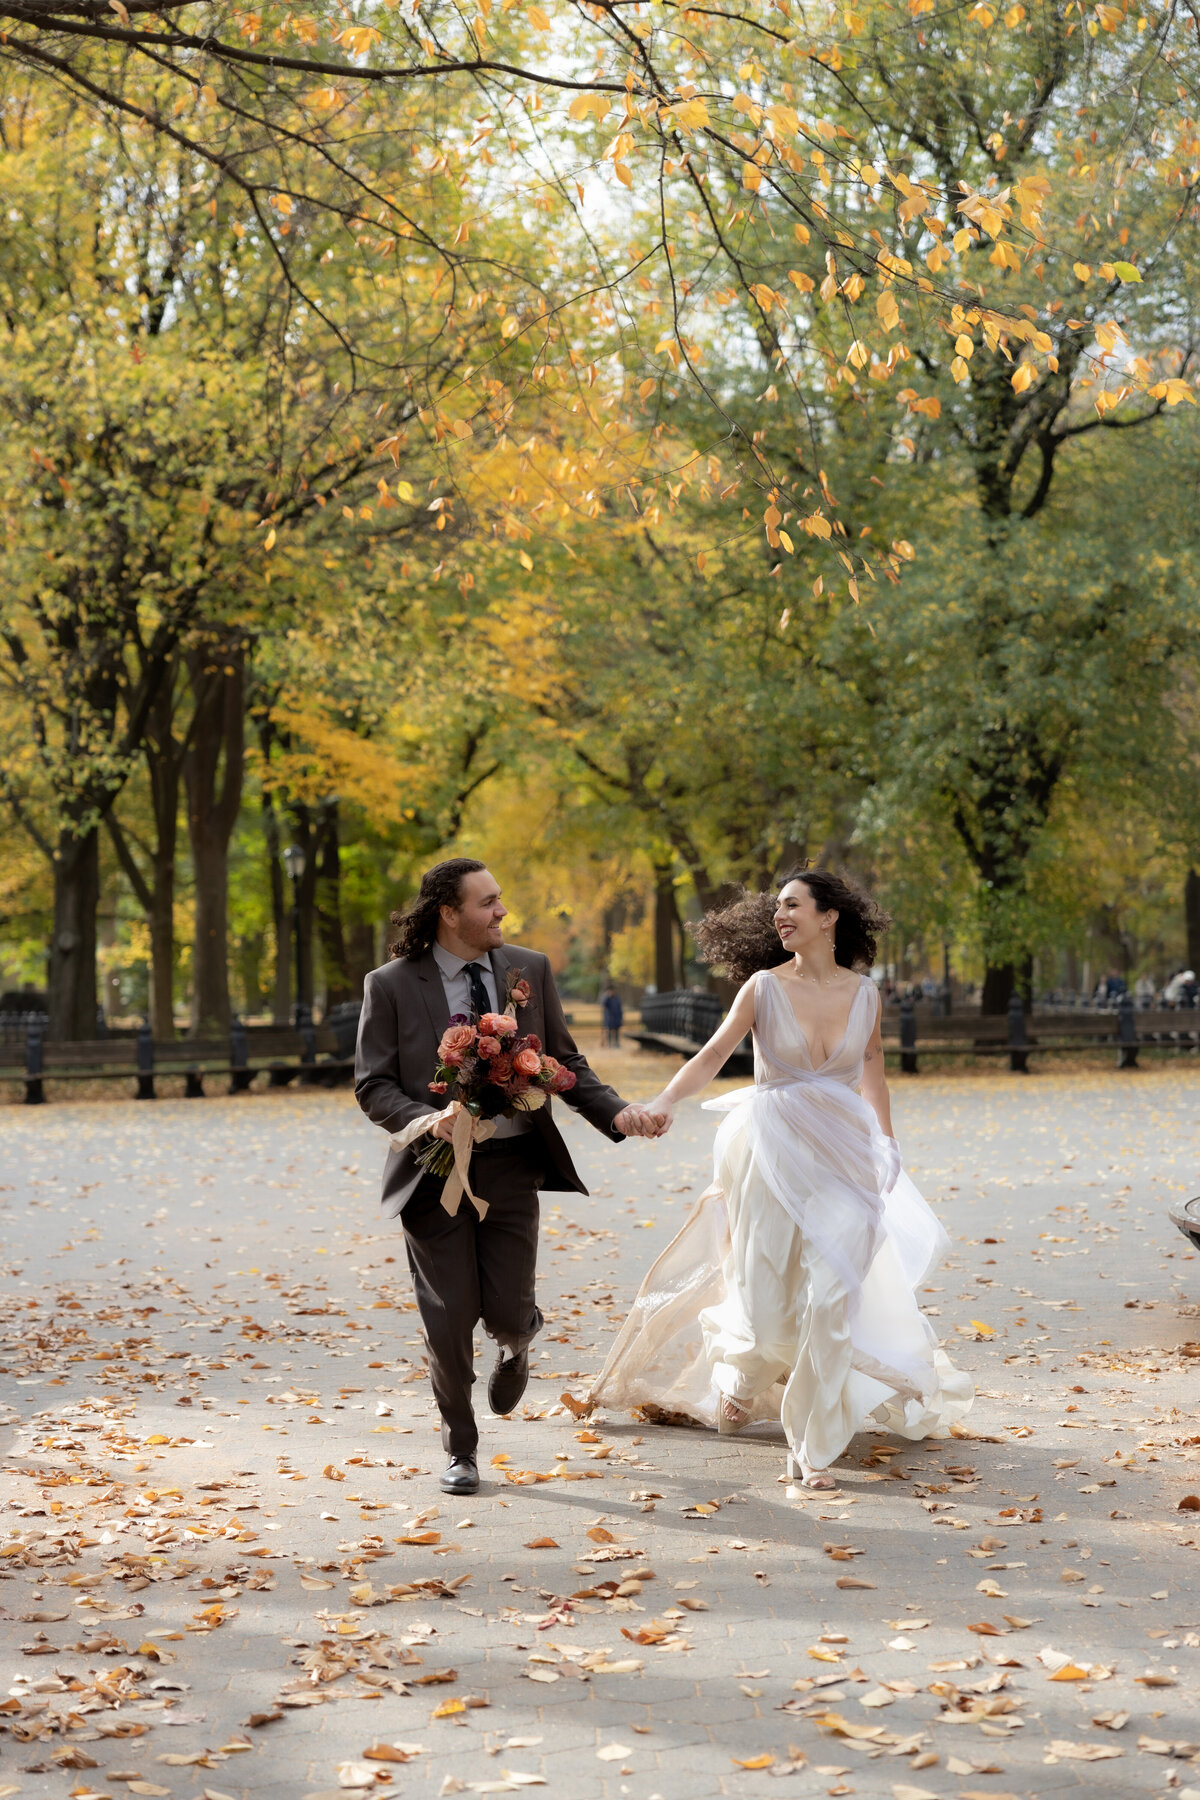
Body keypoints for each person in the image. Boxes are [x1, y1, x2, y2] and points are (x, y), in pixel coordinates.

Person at [587, 866, 972, 1490]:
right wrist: (663, 1102)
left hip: (846, 1157)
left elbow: (872, 1071)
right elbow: (713, 1054)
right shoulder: (763, 988)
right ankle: (740, 1375)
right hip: (770, 1152)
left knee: (831, 1296)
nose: (780, 916)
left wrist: (889, 1141)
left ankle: (811, 1448)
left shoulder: (866, 995)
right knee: (767, 1308)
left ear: (829, 918)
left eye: (793, 906)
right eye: (776, 908)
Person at [355, 858, 665, 1497]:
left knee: (506, 1308)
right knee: (447, 1316)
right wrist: (428, 1118)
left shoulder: (529, 969)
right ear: (449, 911)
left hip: (514, 1165)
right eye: (488, 901)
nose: (501, 912)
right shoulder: (388, 985)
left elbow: (564, 1059)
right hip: (433, 1169)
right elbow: (373, 1085)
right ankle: (460, 1449)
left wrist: (618, 1112)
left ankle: (518, 1339)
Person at [600, 981, 624, 1047]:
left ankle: (616, 1043)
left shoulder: (617, 998)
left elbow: (620, 1008)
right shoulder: (607, 998)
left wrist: (621, 1017)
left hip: (617, 1017)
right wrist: (607, 996)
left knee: (617, 1031)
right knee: (609, 1030)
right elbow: (603, 1004)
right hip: (609, 1017)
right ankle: (609, 1043)